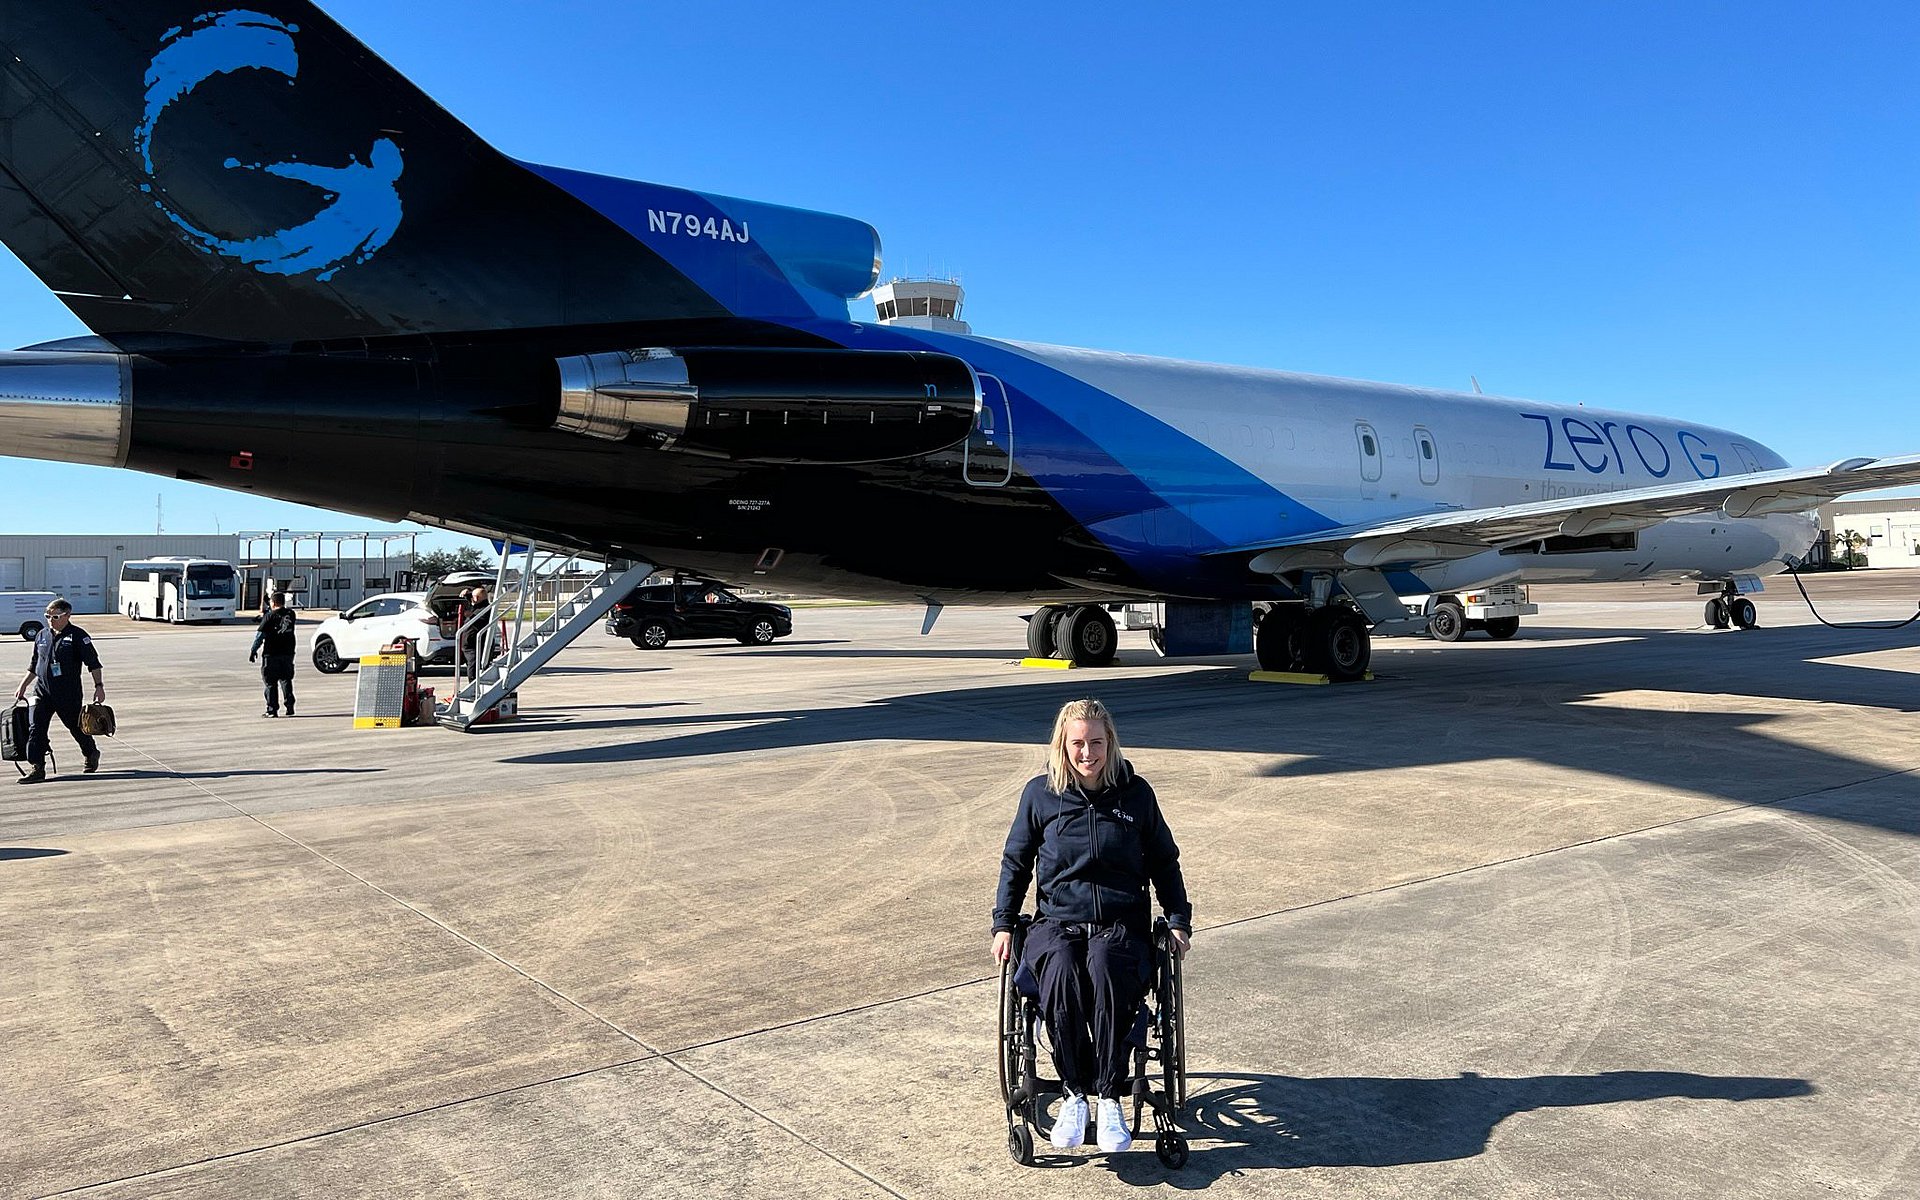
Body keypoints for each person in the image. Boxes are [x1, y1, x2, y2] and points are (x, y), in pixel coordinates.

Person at [991, 698, 1192, 1154]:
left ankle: (1109, 1096)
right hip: (1057, 921)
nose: (1088, 753)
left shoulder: (1136, 794)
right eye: (1078, 744)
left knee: (1105, 966)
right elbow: (1016, 863)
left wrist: (1178, 919)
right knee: (1061, 969)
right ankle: (1075, 1094)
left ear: (1110, 743)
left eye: (1096, 743)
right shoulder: (1040, 795)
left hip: (1120, 923)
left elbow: (1164, 860)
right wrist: (1003, 923)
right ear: (1063, 745)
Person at [9, 598, 104, 784]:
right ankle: (37, 767)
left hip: (67, 693)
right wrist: (23, 685)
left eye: (55, 617)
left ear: (67, 615)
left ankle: (91, 752)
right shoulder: (42, 635)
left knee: (75, 727)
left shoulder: (78, 636)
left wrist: (98, 686)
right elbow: (35, 664)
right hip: (41, 692)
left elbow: (94, 664)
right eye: (47, 616)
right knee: (36, 728)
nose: (50, 620)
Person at [249, 591, 298, 717]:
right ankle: (290, 706)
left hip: (271, 654)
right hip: (288, 652)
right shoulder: (291, 614)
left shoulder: (269, 616)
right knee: (286, 679)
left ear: (273, 602)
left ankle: (272, 709)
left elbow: (260, 636)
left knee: (270, 683)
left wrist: (253, 650)